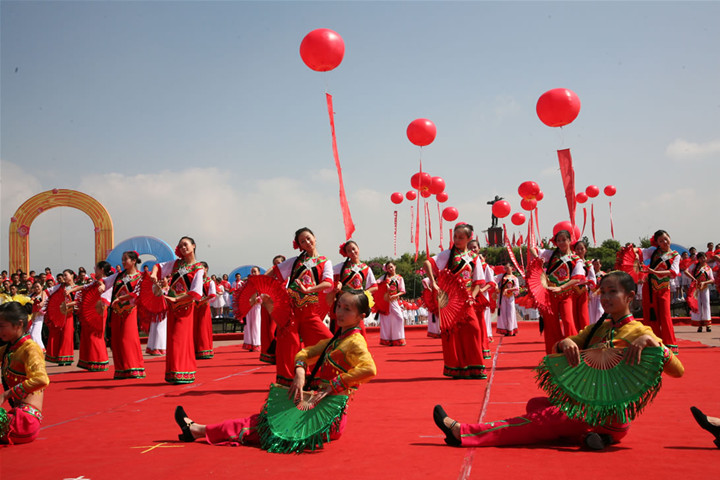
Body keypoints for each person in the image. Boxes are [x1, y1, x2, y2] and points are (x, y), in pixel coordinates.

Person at [434, 271, 684, 450]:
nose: (605, 297)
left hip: (607, 413)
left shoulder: (641, 332)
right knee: (536, 404)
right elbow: (557, 349)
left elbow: (678, 371)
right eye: (603, 292)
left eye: (613, 292)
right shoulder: (598, 328)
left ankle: (462, 432)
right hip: (589, 410)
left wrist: (657, 346)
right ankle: (593, 437)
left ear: (630, 297)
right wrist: (565, 343)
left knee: (538, 420)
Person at [172, 290, 377, 449]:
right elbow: (304, 353)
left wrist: (334, 385)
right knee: (265, 421)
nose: (339, 312)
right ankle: (198, 430)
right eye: (339, 306)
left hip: (328, 418)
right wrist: (299, 371)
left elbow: (370, 369)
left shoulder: (355, 342)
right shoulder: (338, 339)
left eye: (347, 309)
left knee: (264, 425)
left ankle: (198, 430)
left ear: (362, 315)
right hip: (320, 408)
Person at [266, 229, 333, 386]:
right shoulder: (295, 262)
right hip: (291, 311)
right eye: (303, 241)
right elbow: (274, 271)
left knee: (328, 342)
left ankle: (321, 378)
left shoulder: (324, 261)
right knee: (288, 347)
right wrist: (260, 286)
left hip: (310, 312)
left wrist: (309, 289)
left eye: (309, 238)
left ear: (315, 238)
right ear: (299, 245)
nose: (307, 243)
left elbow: (328, 282)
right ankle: (288, 382)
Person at [424, 223, 487, 379]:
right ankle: (457, 368)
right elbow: (427, 263)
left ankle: (475, 367)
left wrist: (472, 295)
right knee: (454, 334)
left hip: (467, 300)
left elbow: (478, 280)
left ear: (469, 238)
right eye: (455, 237)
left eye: (461, 237)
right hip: (451, 301)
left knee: (474, 329)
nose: (457, 240)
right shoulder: (447, 254)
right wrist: (433, 282)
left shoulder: (474, 257)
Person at [150, 237, 204, 384]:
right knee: (173, 340)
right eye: (180, 246)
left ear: (193, 246)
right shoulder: (175, 264)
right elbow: (158, 267)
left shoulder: (198, 268)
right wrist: (154, 275)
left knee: (179, 340)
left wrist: (176, 300)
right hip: (172, 307)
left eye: (185, 245)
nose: (183, 248)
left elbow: (196, 293)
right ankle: (175, 372)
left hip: (185, 307)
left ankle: (182, 372)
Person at [0, 302, 50, 445]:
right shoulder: (11, 348)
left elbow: (41, 379)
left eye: (2, 326)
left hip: (24, 422)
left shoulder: (30, 349)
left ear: (18, 324)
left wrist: (6, 394)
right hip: (16, 416)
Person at [530, 230, 585, 354]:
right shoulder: (550, 254)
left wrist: (561, 287)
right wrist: (538, 259)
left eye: (563, 240)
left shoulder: (576, 259)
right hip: (550, 295)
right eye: (558, 240)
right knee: (551, 326)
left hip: (566, 295)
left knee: (568, 321)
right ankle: (553, 354)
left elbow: (577, 278)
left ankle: (574, 352)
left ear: (570, 241)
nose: (561, 243)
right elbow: (532, 248)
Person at [103, 251, 146, 379]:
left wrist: (121, 299)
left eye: (125, 259)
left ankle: (134, 368)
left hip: (130, 311)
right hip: (116, 312)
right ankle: (121, 369)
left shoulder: (140, 276)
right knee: (116, 341)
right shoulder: (118, 276)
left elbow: (137, 293)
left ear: (133, 261)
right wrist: (100, 285)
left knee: (128, 339)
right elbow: (105, 283)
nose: (123, 262)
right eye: (122, 259)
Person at [639, 230, 680, 354]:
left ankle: (669, 344)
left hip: (663, 289)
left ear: (670, 238)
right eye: (661, 241)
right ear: (657, 243)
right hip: (650, 288)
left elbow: (673, 273)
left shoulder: (675, 255)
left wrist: (655, 272)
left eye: (666, 239)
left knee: (665, 315)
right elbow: (640, 252)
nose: (664, 242)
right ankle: (653, 343)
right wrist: (630, 250)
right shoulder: (653, 251)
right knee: (651, 316)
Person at [328, 240, 377, 335]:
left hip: (357, 303)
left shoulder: (366, 268)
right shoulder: (341, 267)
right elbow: (328, 277)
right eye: (349, 251)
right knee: (340, 327)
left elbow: (374, 287)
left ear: (358, 249)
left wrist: (363, 294)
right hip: (343, 302)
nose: (352, 252)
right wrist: (337, 284)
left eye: (354, 249)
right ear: (346, 254)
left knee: (358, 328)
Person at [76, 261, 113, 372]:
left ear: (102, 269)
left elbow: (103, 288)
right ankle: (90, 361)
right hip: (92, 310)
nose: (94, 269)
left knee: (96, 335)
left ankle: (100, 361)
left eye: (96, 268)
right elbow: (84, 287)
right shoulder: (96, 282)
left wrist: (101, 288)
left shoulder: (105, 281)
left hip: (99, 310)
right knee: (88, 335)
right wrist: (71, 290)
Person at [45, 269, 77, 366]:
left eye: (66, 275)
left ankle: (66, 357)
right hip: (59, 314)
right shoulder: (60, 286)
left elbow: (79, 301)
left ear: (72, 276)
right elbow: (46, 291)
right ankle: (58, 357)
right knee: (57, 335)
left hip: (69, 315)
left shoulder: (76, 287)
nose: (64, 277)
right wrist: (43, 301)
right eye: (63, 275)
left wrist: (68, 304)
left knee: (67, 335)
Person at [377, 261, 406, 346]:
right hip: (385, 302)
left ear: (395, 267)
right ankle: (386, 340)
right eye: (388, 268)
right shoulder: (384, 277)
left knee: (399, 318)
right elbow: (376, 283)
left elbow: (402, 291)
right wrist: (384, 286)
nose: (390, 269)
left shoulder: (399, 278)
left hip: (394, 301)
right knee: (386, 320)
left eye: (391, 267)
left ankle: (398, 339)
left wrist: (396, 295)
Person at [571, 240, 596, 332]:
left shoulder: (588, 264)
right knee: (572, 314)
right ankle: (573, 333)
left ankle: (584, 334)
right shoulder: (572, 261)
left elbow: (593, 279)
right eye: (577, 249)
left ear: (586, 250)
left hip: (583, 291)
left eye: (582, 249)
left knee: (583, 314)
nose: (580, 251)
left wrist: (587, 284)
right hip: (571, 290)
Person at [686, 252, 714, 332]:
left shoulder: (708, 269)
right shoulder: (694, 267)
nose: (703, 259)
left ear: (706, 258)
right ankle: (699, 325)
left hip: (704, 288)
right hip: (696, 289)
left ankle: (708, 324)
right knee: (697, 306)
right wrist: (693, 279)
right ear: (698, 259)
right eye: (701, 258)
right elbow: (685, 271)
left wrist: (705, 282)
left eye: (704, 257)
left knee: (706, 305)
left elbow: (712, 280)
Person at [194, 263, 216, 359]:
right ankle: (195, 349)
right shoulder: (195, 281)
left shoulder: (210, 281)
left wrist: (202, 301)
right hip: (195, 306)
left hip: (204, 306)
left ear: (206, 269)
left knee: (203, 327)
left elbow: (212, 295)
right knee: (195, 327)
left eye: (201, 268)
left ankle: (205, 349)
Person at [495, 262, 519, 336]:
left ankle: (511, 329)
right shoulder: (501, 276)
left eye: (508, 267)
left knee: (511, 313)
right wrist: (496, 286)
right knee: (503, 313)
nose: (506, 269)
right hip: (502, 297)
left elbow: (517, 288)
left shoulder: (515, 278)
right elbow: (493, 280)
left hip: (510, 297)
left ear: (512, 267)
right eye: (505, 268)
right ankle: (505, 330)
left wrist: (508, 290)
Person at [242, 267, 262, 352]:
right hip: (249, 305)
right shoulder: (247, 282)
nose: (253, 273)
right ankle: (249, 343)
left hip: (257, 305)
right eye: (252, 271)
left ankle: (257, 344)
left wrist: (259, 299)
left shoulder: (261, 282)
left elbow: (264, 293)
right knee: (248, 325)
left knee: (256, 324)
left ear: (259, 272)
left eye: (255, 271)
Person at [27, 282, 47, 352]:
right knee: (34, 334)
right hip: (31, 316)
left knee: (34, 333)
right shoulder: (31, 296)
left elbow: (46, 306)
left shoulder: (44, 295)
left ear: (41, 286)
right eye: (35, 287)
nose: (36, 288)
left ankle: (39, 349)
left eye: (38, 286)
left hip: (39, 317)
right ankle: (41, 348)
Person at [588, 259, 605, 324]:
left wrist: (597, 291)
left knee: (599, 310)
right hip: (591, 295)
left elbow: (604, 285)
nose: (596, 266)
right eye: (594, 264)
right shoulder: (590, 275)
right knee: (591, 312)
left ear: (600, 265)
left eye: (597, 264)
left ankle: (600, 324)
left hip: (599, 295)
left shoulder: (603, 275)